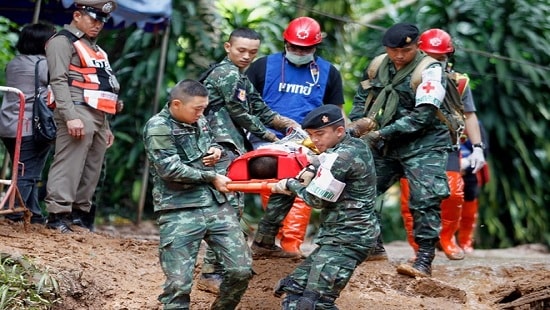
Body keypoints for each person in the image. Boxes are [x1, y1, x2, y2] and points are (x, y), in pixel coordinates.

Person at [197, 27, 299, 293]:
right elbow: (239, 111)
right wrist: (270, 136)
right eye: (241, 50)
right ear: (227, 47)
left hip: (231, 146)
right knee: (226, 208)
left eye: (252, 52)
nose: (246, 56)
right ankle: (210, 273)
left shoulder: (239, 76)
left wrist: (284, 123)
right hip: (218, 145)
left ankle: (231, 265)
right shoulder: (225, 73)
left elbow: (258, 105)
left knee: (235, 206)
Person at [251, 105, 379, 309]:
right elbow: (329, 160)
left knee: (315, 303)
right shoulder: (354, 145)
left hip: (348, 240)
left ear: (339, 131)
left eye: (320, 134)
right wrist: (313, 166)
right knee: (293, 290)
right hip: (337, 239)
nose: (315, 140)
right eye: (311, 135)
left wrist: (288, 184)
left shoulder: (341, 157)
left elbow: (316, 200)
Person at [348, 22, 449, 277]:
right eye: (394, 50)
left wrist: (380, 133)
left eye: (406, 50)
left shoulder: (431, 70)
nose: (400, 56)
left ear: (417, 46)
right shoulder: (377, 65)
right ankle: (373, 246)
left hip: (424, 143)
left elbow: (422, 117)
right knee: (359, 189)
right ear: (386, 48)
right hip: (387, 143)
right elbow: (363, 96)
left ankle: (424, 259)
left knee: (424, 199)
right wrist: (357, 125)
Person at [143, 79, 252, 310]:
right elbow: (169, 169)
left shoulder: (199, 120)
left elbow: (212, 142)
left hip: (215, 205)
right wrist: (211, 177)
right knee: (179, 285)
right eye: (197, 109)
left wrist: (216, 150)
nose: (202, 113)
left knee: (240, 271)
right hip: (179, 209)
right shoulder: (158, 127)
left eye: (204, 108)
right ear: (176, 104)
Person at [246, 16, 345, 256]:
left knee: (304, 181)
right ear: (285, 42)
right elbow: (244, 106)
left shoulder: (329, 72)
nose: (299, 52)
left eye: (305, 48)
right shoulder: (262, 66)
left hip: (309, 140)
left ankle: (291, 243)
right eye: (294, 47)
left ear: (315, 46)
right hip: (267, 138)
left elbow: (336, 113)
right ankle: (272, 239)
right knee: (274, 183)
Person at [399, 28, 486, 260]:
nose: (436, 63)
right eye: (430, 57)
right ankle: (419, 248)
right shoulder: (405, 80)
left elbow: (469, 115)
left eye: (441, 58)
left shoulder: (459, 83)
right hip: (411, 145)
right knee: (411, 199)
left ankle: (447, 238)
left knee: (455, 195)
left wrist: (478, 148)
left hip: (445, 144)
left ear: (449, 58)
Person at [44, 0, 120, 233]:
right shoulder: (62, 41)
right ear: (77, 15)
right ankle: (58, 214)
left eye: (102, 21)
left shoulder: (95, 48)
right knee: (70, 162)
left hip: (98, 114)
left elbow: (100, 87)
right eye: (93, 19)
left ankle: (78, 215)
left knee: (92, 167)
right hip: (76, 110)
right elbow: (57, 80)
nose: (98, 25)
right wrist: (69, 116)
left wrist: (105, 126)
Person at [0, 22, 57, 224]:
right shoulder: (43, 64)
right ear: (44, 43)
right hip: (29, 126)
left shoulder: (14, 62)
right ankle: (13, 214)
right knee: (27, 172)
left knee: (25, 168)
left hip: (8, 124)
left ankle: (32, 212)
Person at [458, 121, 490, 253]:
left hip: (470, 169)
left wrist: (467, 162)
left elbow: (484, 148)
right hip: (445, 167)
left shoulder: (474, 123)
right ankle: (443, 240)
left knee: (470, 201)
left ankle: (466, 241)